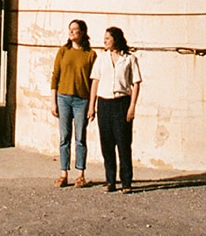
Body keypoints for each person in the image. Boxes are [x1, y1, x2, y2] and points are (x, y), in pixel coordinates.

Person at [88, 25, 142, 193]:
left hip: (122, 102)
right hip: (104, 103)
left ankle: (126, 182)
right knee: (107, 144)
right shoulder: (101, 59)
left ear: (115, 40)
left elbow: (136, 83)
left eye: (107, 39)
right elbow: (95, 82)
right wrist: (92, 107)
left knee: (124, 144)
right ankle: (110, 180)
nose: (104, 41)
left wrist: (132, 106)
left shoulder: (130, 59)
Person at [50, 18, 97, 188]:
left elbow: (94, 82)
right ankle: (63, 173)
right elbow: (55, 76)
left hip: (81, 100)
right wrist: (53, 101)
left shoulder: (90, 54)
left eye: (75, 29)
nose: (72, 32)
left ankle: (80, 174)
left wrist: (92, 105)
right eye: (70, 29)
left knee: (80, 138)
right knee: (64, 137)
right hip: (63, 98)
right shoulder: (63, 51)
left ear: (83, 32)